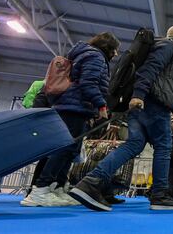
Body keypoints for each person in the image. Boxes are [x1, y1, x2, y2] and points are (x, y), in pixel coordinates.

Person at [69, 24, 173, 211]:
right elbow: (150, 69)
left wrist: (137, 96)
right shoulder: (169, 46)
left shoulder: (161, 46)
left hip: (141, 104)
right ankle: (160, 195)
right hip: (153, 103)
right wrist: (139, 95)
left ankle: (91, 182)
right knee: (164, 146)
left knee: (134, 144)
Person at [21, 32, 120, 207]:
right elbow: (88, 83)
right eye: (115, 50)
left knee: (70, 149)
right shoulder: (95, 57)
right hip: (74, 108)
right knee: (64, 149)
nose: (116, 54)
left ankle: (56, 187)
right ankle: (40, 189)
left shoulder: (84, 54)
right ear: (108, 47)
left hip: (74, 107)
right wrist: (101, 105)